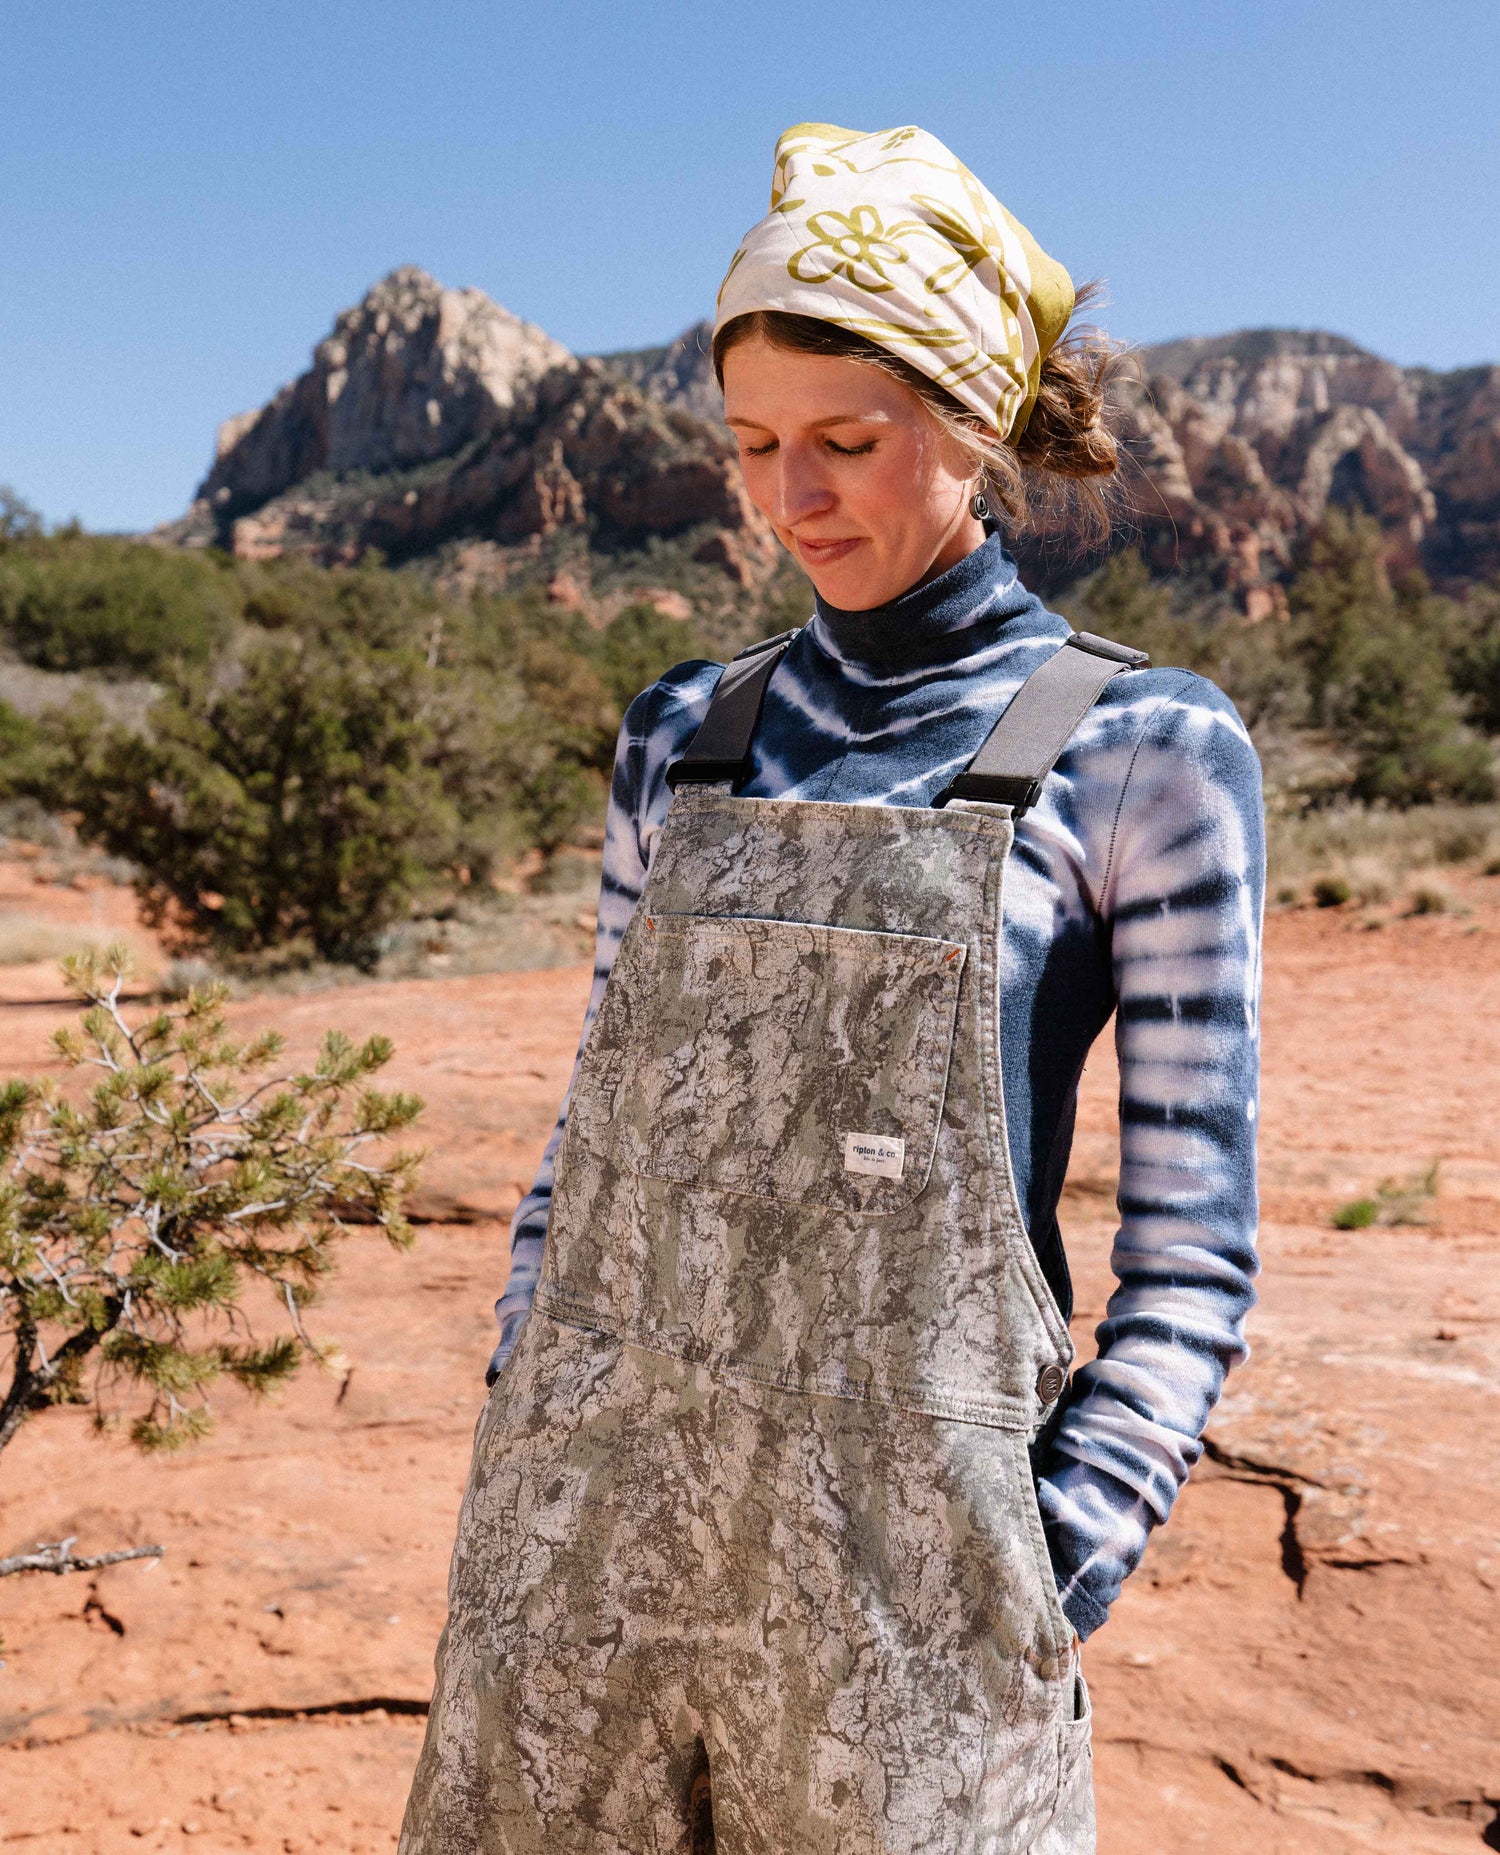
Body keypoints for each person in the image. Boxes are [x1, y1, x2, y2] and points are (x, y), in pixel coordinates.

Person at [401, 122, 1263, 1855]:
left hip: (916, 1615)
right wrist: (527, 1398)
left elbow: (1194, 1252)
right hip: (579, 1567)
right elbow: (586, 1147)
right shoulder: (681, 733)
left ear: (970, 424)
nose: (793, 500)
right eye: (752, 447)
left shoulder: (1145, 750)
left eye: (847, 444)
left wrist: (1052, 1566)